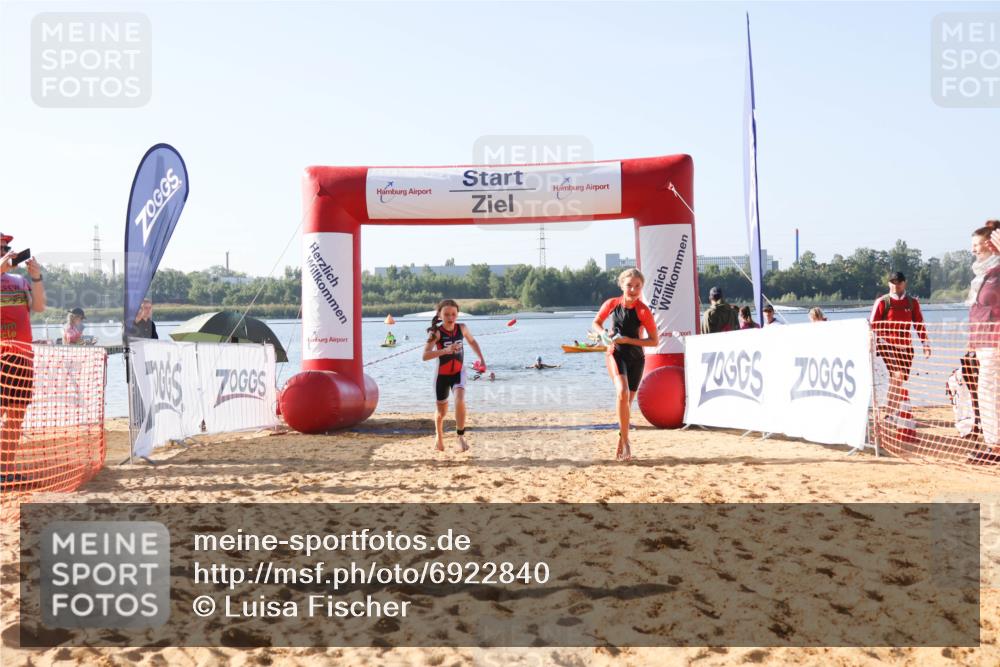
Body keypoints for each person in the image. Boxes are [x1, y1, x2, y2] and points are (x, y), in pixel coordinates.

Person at [592, 268, 660, 461]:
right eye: (629, 285)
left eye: (637, 286)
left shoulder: (643, 311)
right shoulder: (612, 304)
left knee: (627, 404)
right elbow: (596, 322)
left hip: (636, 358)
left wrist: (628, 340)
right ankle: (627, 442)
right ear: (621, 285)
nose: (633, 289)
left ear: (642, 287)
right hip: (616, 353)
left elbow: (654, 341)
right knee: (622, 392)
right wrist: (603, 334)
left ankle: (621, 439)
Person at [0, 233, 45, 486]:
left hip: (21, 357)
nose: (5, 252)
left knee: (15, 414)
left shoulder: (18, 280)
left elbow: (38, 307)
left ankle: (4, 470)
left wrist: (36, 277)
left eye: (6, 248)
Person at [422, 299, 485, 453]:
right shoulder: (435, 333)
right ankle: (439, 436)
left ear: (457, 314)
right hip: (442, 376)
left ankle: (460, 436)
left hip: (458, 372)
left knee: (460, 399)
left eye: (453, 314)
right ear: (439, 315)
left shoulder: (462, 328)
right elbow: (425, 355)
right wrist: (445, 350)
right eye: (447, 314)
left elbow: (472, 341)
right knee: (442, 413)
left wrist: (481, 359)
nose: (450, 317)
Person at [869, 271, 931, 419]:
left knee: (899, 380)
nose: (896, 285)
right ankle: (889, 414)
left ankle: (892, 410)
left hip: (907, 348)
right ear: (889, 284)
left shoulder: (912, 302)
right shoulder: (883, 302)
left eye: (899, 282)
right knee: (897, 376)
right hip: (887, 345)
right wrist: (871, 344)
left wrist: (926, 344)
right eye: (893, 282)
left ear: (905, 283)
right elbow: (872, 326)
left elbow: (919, 324)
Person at [967, 220, 1000, 464]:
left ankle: (995, 446)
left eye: (978, 244)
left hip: (995, 342)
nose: (974, 250)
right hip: (983, 344)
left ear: (991, 244)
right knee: (987, 394)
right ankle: (993, 445)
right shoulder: (983, 275)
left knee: (990, 393)